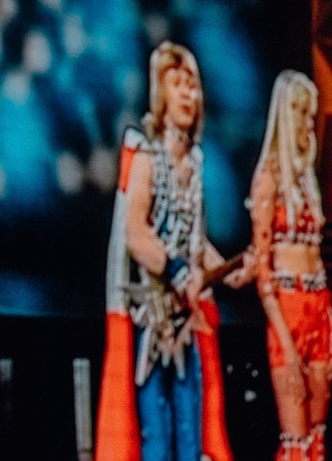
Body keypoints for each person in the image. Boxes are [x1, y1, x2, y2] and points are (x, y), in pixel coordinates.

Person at [97, 42, 238, 461]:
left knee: (191, 436)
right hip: (150, 323)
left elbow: (197, 242)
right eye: (177, 84)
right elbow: (136, 232)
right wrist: (176, 271)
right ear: (161, 93)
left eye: (192, 85)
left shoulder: (194, 163)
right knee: (156, 440)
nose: (187, 94)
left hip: (185, 324)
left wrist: (231, 271)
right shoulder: (146, 157)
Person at [245, 69, 332, 461]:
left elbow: (317, 253)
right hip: (288, 308)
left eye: (310, 112)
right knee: (296, 438)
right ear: (284, 114)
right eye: (299, 111)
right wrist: (284, 337)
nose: (306, 122)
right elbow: (262, 273)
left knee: (317, 435)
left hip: (319, 305)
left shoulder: (307, 181)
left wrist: (329, 316)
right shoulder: (267, 180)